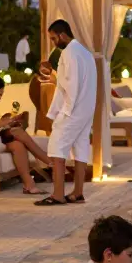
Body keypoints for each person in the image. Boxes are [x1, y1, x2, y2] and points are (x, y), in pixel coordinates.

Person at [38, 19, 95, 206]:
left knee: (56, 148)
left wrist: (63, 112)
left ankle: (58, 195)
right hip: (86, 109)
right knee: (80, 150)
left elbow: (71, 85)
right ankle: (77, 193)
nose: (54, 43)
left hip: (73, 110)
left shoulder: (69, 53)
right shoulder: (85, 52)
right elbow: (73, 81)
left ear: (62, 35)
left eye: (54, 39)